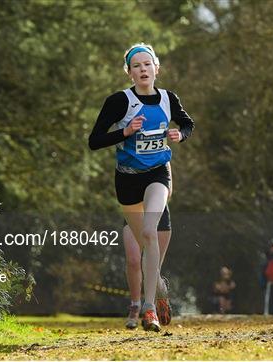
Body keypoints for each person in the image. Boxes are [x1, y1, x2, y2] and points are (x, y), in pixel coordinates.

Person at [89, 43, 194, 331]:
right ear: (130, 73)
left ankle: (149, 310)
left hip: (159, 173)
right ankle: (158, 289)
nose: (143, 69)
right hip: (127, 181)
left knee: (150, 232)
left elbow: (187, 123)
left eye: (148, 64)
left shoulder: (168, 98)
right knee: (147, 253)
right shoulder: (119, 102)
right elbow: (94, 140)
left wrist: (180, 134)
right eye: (137, 66)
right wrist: (125, 132)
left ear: (156, 69)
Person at [123, 166, 173, 329]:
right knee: (133, 260)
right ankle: (135, 306)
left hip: (157, 215)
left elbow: (169, 190)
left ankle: (160, 292)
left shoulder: (160, 155)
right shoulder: (128, 153)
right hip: (135, 212)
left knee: (153, 268)